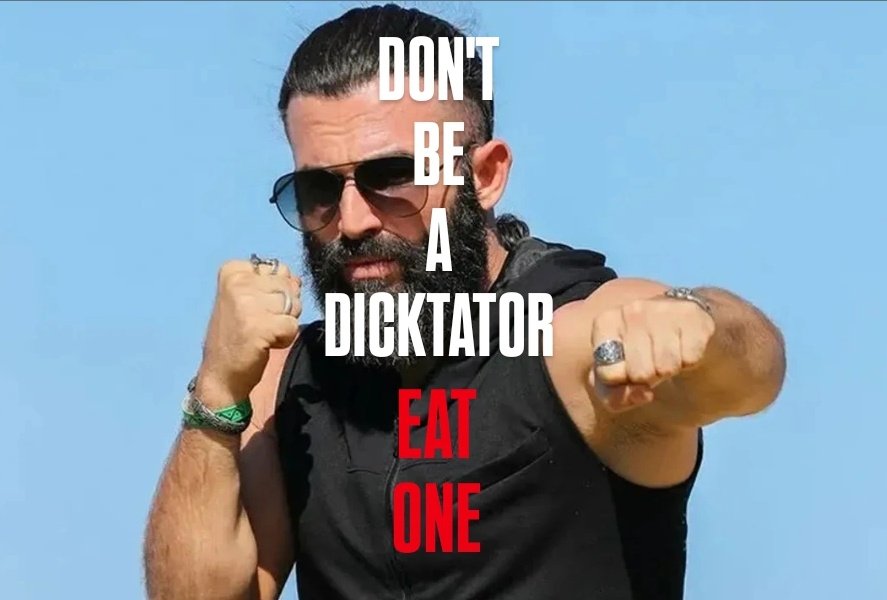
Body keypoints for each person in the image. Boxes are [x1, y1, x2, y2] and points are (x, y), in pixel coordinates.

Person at [142, 4, 786, 600]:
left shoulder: (567, 336)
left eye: (394, 177)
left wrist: (694, 322)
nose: (354, 220)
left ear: (484, 175)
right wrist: (216, 389)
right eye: (318, 190)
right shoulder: (290, 380)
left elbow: (748, 371)